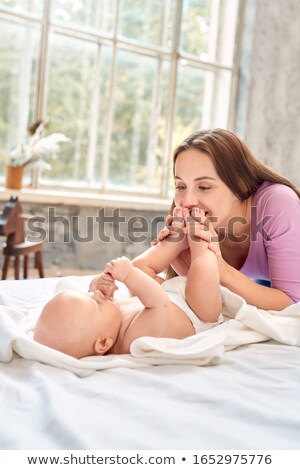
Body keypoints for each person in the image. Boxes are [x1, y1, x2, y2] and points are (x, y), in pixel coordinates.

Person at [136, 129, 300, 311]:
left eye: (204, 187)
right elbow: (205, 305)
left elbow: (293, 303)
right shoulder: (201, 225)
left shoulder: (278, 203)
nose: (188, 201)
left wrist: (223, 271)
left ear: (239, 185)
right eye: (181, 186)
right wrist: (183, 265)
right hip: (265, 283)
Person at [34, 209, 223, 358]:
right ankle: (202, 238)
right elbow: (159, 302)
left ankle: (177, 240)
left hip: (171, 293)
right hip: (197, 312)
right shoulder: (133, 339)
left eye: (90, 295)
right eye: (95, 303)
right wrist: (129, 275)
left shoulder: (106, 322)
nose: (97, 295)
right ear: (103, 344)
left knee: (140, 265)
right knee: (201, 273)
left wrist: (97, 284)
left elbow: (102, 295)